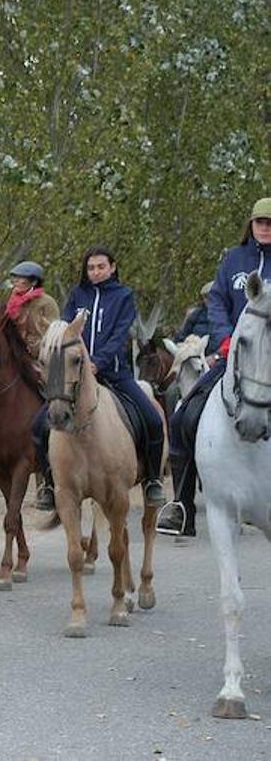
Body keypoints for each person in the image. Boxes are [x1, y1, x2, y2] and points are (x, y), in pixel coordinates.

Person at [158, 198, 271, 538]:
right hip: (235, 358)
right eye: (260, 222)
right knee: (183, 416)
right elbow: (218, 302)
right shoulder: (234, 260)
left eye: (270, 222)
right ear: (250, 225)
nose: (265, 227)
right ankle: (181, 506)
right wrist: (225, 338)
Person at [32, 246, 165, 513]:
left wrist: (98, 362)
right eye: (91, 268)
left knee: (152, 419)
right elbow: (64, 330)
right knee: (38, 425)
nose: (95, 272)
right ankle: (48, 483)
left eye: (101, 267)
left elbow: (119, 335)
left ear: (112, 267)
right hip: (74, 374)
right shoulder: (77, 295)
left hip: (115, 373)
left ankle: (152, 480)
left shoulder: (124, 296)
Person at [0, 261, 58, 477]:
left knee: (49, 393)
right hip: (18, 357)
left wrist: (35, 347)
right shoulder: (12, 303)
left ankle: (54, 442)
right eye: (15, 278)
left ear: (33, 281)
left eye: (21, 279)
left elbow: (53, 332)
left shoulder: (46, 303)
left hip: (41, 358)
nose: (16, 282)